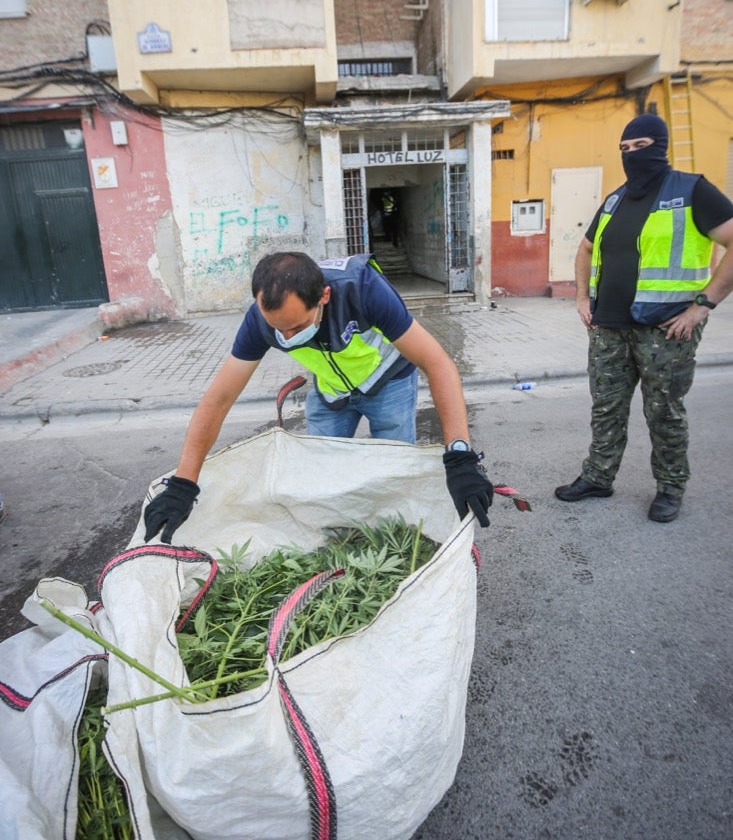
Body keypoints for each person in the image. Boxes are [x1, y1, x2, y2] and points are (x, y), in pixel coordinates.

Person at [144, 251, 493, 542]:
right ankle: (337, 542)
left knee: (392, 473)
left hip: (389, 381)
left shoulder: (363, 289)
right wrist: (184, 483)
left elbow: (438, 363)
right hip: (331, 390)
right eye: (278, 329)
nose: (287, 337)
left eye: (297, 327)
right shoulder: (259, 321)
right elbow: (218, 399)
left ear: (324, 296)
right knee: (322, 476)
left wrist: (459, 456)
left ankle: (393, 540)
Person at [555, 113, 733, 522]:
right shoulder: (615, 199)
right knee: (606, 408)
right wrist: (582, 298)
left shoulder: (692, 190)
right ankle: (598, 477)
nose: (631, 154)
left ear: (661, 146)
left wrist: (701, 307)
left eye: (640, 146)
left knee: (664, 412)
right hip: (608, 327)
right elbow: (585, 249)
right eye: (624, 148)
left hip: (665, 329)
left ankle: (670, 487)